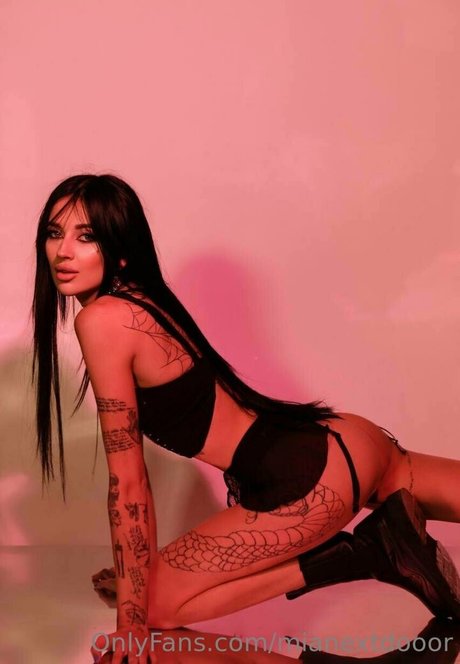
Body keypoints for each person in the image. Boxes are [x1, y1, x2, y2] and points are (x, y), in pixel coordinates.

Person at [31, 174, 460, 664]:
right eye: (54, 233)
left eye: (86, 236)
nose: (63, 251)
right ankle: (377, 546)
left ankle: (367, 552)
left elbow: (128, 485)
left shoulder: (102, 319)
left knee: (156, 606)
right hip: (345, 440)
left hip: (307, 477)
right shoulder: (143, 299)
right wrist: (137, 581)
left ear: (120, 250)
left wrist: (132, 620)